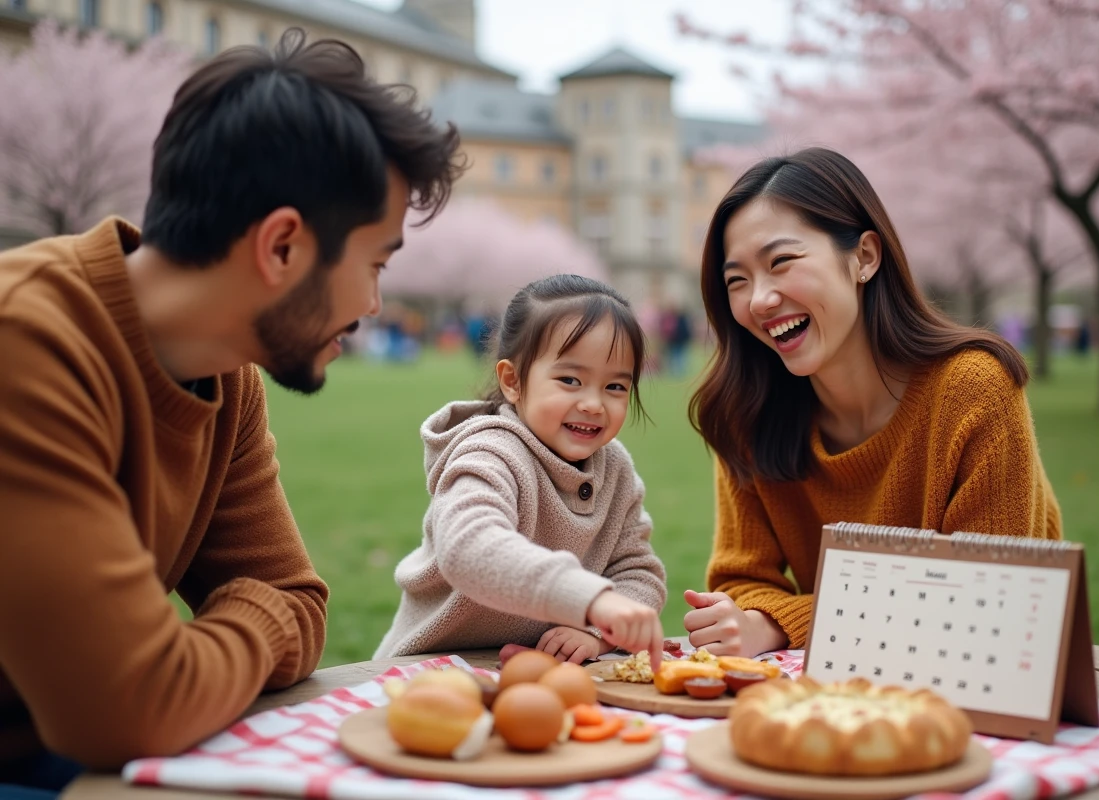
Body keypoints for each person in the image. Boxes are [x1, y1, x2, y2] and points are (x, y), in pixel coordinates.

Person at [0, 28, 461, 793]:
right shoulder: (26, 343)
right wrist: (242, 621)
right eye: (375, 263)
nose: (375, 305)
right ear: (282, 246)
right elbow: (130, 710)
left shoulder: (226, 372)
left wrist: (219, 633)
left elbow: (300, 605)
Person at [682, 148, 1061, 658]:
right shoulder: (748, 413)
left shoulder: (973, 390)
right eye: (737, 281)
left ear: (864, 257)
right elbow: (740, 583)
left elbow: (990, 598)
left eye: (781, 262)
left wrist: (779, 621)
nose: (759, 300)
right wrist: (748, 617)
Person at [375, 275, 667, 668]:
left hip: (536, 672)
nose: (594, 404)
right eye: (570, 380)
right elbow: (468, 546)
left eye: (615, 387)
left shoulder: (614, 468)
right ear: (513, 381)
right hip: (429, 672)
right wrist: (591, 599)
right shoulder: (491, 451)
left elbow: (639, 571)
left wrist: (595, 632)